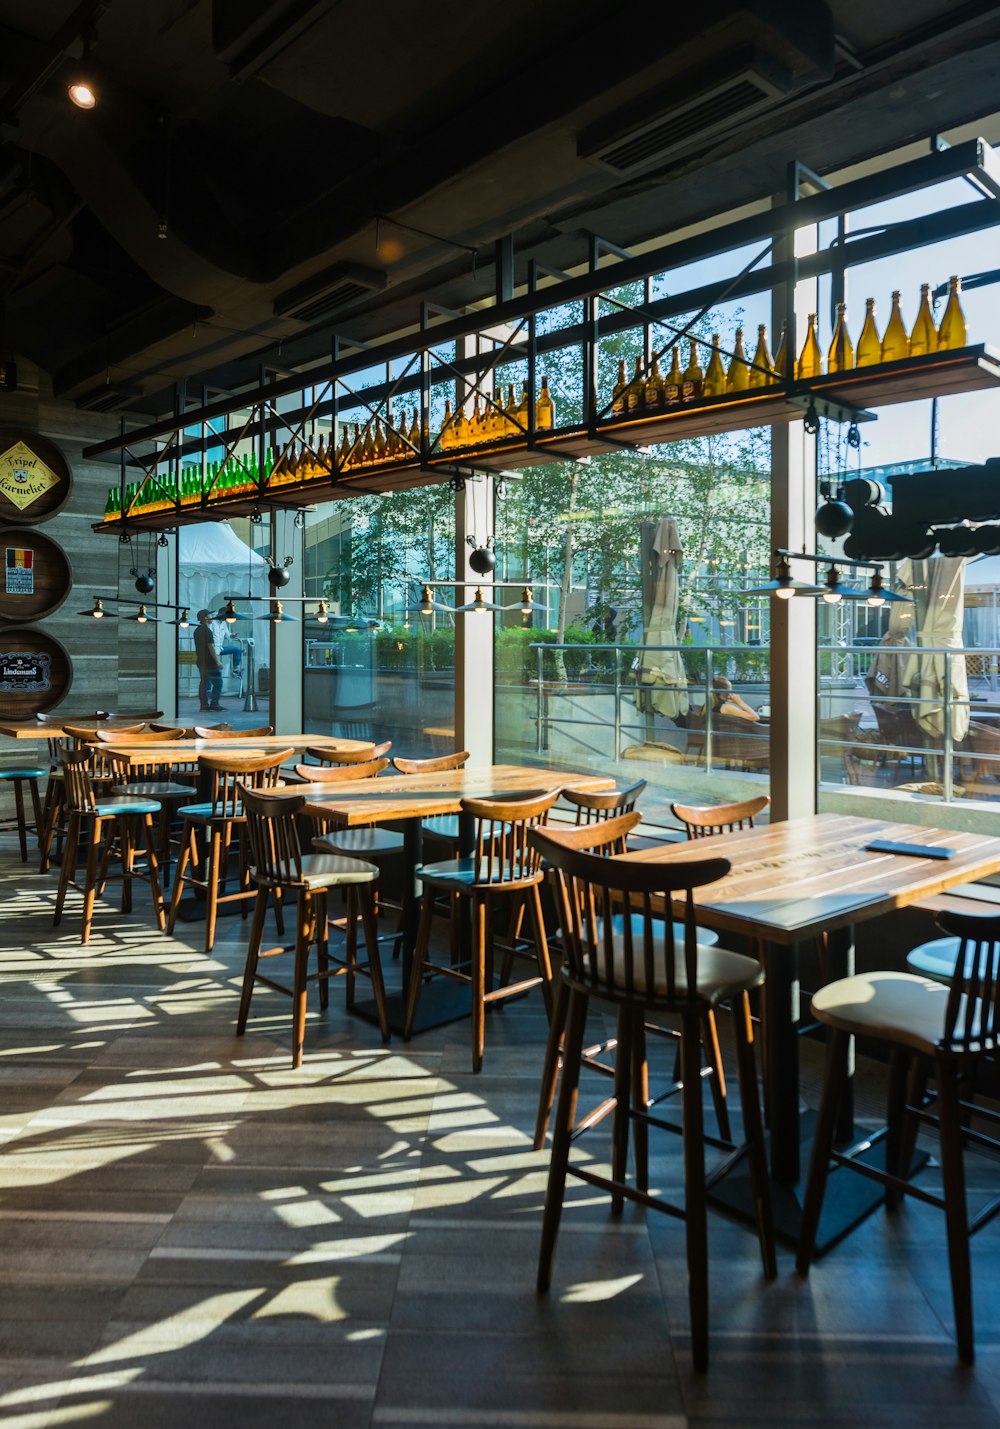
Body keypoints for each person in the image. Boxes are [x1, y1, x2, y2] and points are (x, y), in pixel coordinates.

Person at [194, 608, 224, 711]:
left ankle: (204, 705)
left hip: (201, 661)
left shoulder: (197, 630)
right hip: (210, 662)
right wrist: (217, 661)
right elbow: (211, 647)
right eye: (210, 616)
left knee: (204, 683)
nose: (212, 617)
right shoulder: (207, 630)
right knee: (218, 683)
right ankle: (214, 704)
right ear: (206, 617)